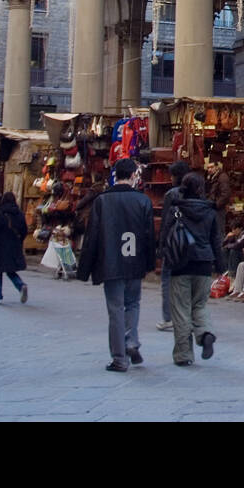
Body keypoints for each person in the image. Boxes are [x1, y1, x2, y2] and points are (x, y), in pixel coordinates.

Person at [77, 158, 155, 372]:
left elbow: (92, 236)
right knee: (133, 304)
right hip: (135, 262)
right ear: (132, 176)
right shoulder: (143, 201)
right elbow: (148, 236)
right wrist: (149, 263)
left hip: (110, 263)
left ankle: (119, 357)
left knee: (115, 309)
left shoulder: (102, 201)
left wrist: (85, 268)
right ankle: (131, 341)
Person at [161, 172, 218, 365]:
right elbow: (215, 240)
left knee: (181, 309)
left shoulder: (176, 209)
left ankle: (184, 355)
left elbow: (165, 236)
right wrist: (220, 265)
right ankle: (205, 333)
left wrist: (162, 257)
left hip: (180, 263)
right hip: (204, 263)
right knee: (199, 305)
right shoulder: (210, 211)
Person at [155, 160, 191, 332]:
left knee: (167, 280)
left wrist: (161, 246)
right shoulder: (197, 193)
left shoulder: (172, 194)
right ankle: (187, 317)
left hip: (174, 243)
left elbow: (166, 223)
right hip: (191, 244)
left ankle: (168, 318)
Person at [0, 192, 29, 304]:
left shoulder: (2, 214)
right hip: (14, 246)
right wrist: (19, 241)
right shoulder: (20, 214)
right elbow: (24, 230)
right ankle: (21, 285)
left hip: (0, 246)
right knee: (10, 270)